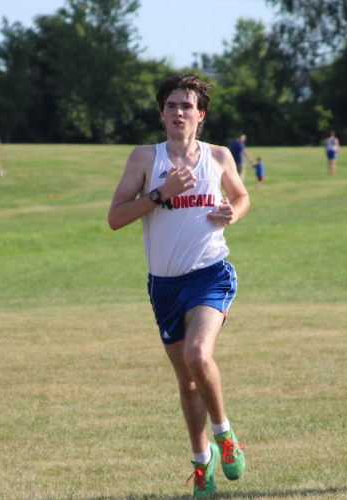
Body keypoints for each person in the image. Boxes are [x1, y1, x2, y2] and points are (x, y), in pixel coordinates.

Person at [108, 74, 249, 497]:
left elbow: (242, 197)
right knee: (187, 381)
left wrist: (232, 213)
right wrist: (159, 194)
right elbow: (115, 217)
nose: (178, 112)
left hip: (210, 274)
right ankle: (200, 462)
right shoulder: (144, 159)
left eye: (186, 106)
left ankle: (225, 436)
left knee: (197, 354)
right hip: (164, 286)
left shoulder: (219, 156)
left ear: (200, 115)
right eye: (171, 105)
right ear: (162, 113)